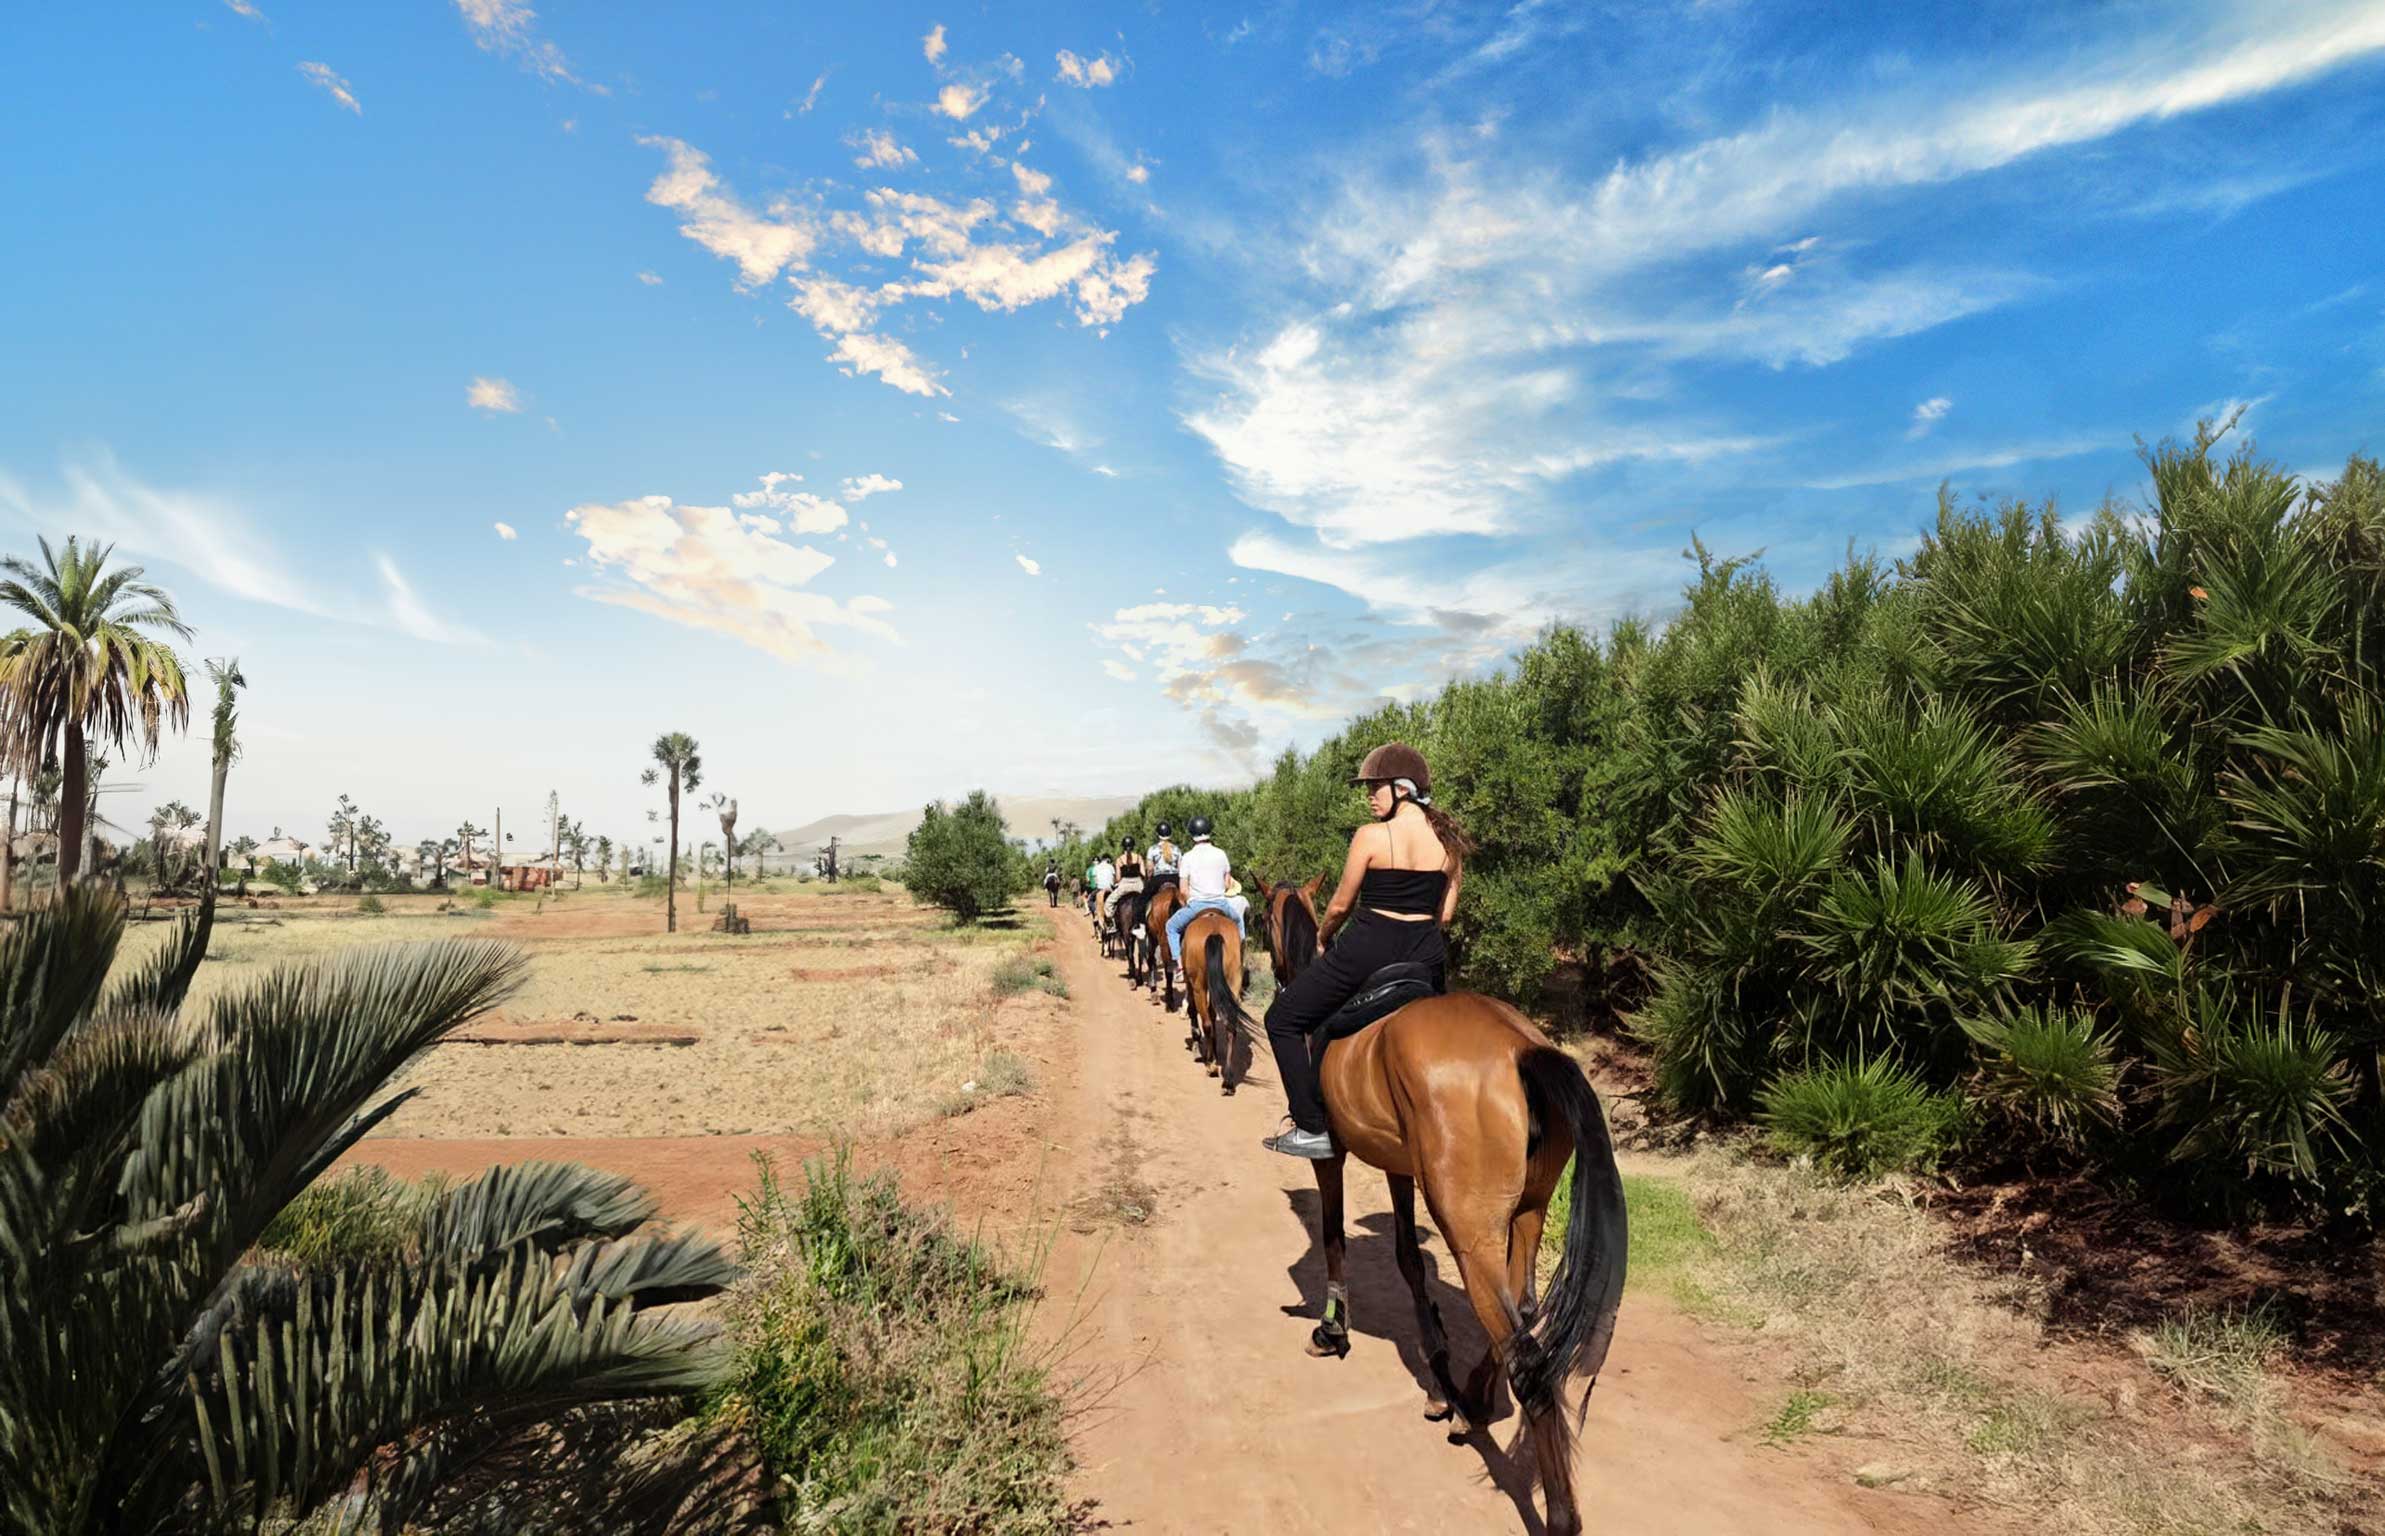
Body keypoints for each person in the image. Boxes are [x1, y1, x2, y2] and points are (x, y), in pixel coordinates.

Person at [1260, 742, 1473, 1159]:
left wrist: (1323, 937)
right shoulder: (1450, 844)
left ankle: (1310, 1127)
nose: (1369, 795)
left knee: (1281, 1018)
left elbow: (1340, 904)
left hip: (1368, 947)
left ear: (1402, 788)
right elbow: (1445, 915)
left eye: (1376, 786)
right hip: (1425, 955)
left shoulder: (1370, 836)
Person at [1164, 815, 1248, 966]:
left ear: (1192, 834)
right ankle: (1239, 961)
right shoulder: (1221, 854)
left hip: (1196, 906)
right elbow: (1228, 884)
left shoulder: (1188, 857)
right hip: (1221, 904)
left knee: (1171, 926)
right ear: (1209, 831)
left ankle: (1178, 964)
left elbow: (1183, 890)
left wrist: (1190, 899)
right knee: (1238, 922)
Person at [1103, 837, 1146, 920]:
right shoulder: (1138, 857)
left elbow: (1118, 878)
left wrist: (1115, 882)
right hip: (1138, 885)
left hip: (1124, 885)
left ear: (1123, 846)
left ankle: (1112, 922)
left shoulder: (1119, 860)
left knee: (1109, 903)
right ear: (1133, 846)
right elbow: (1143, 874)